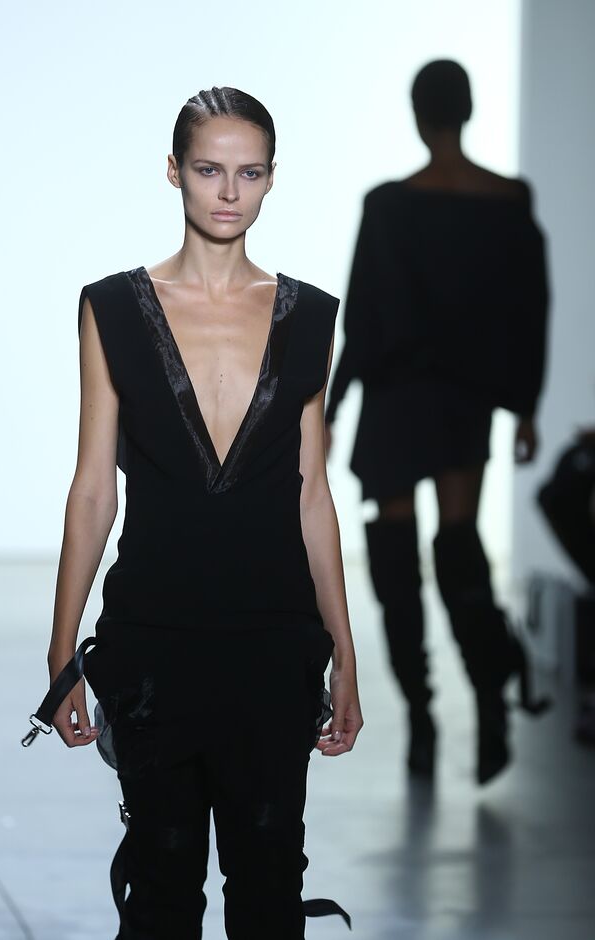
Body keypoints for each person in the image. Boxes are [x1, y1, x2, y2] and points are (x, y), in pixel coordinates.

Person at [44, 87, 363, 939]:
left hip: (274, 644)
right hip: (153, 644)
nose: (229, 192)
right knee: (160, 893)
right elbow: (93, 488)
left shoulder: (310, 317)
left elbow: (312, 492)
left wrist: (346, 654)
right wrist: (62, 647)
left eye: (249, 173)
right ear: (174, 172)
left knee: (268, 894)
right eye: (209, 170)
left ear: (271, 179)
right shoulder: (111, 308)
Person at [325, 60, 548, 786]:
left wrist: (332, 408)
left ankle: (421, 717)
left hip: (395, 401)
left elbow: (362, 317)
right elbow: (530, 311)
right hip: (462, 402)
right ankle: (491, 702)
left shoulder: (388, 206)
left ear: (419, 115)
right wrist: (526, 408)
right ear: (469, 110)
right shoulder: (508, 202)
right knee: (458, 551)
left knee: (396, 563)